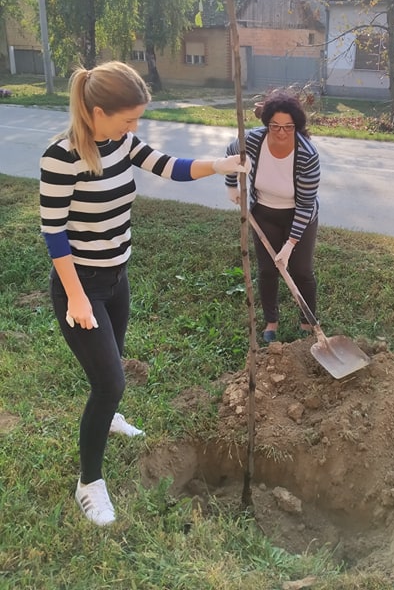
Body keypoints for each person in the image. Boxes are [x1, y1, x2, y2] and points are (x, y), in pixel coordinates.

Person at [39, 61, 250, 527]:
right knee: (110, 381)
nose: (135, 128)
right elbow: (53, 234)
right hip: (81, 287)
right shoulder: (62, 156)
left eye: (137, 120)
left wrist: (221, 165)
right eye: (128, 119)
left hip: (117, 277)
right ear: (97, 111)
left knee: (114, 358)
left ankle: (110, 416)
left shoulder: (122, 141)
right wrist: (75, 297)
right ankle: (89, 482)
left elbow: (169, 167)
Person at [224, 91, 320, 343]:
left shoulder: (307, 155)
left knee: (301, 271)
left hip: (298, 216)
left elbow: (306, 204)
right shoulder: (254, 140)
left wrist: (290, 244)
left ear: (296, 126)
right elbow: (231, 154)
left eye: (288, 127)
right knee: (267, 271)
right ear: (266, 123)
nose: (281, 132)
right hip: (263, 213)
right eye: (275, 126)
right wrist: (231, 184)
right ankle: (271, 322)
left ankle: (308, 324)